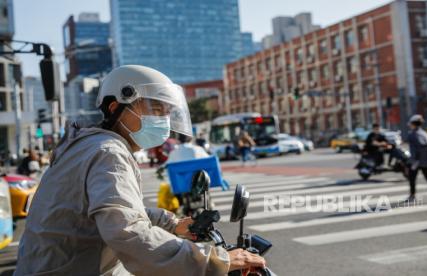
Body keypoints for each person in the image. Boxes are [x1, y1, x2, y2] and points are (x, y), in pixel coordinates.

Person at [15, 65, 265, 275]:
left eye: (166, 113)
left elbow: (110, 208)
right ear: (115, 109)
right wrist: (218, 260)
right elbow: (128, 232)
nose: (163, 121)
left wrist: (170, 222)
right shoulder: (108, 152)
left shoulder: (86, 145)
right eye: (155, 110)